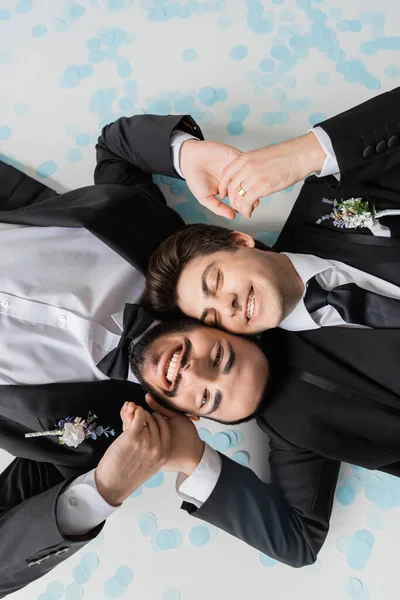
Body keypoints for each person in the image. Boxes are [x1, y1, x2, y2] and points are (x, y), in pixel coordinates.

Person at [0, 114, 240, 597]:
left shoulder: (96, 445)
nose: (194, 368)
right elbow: (116, 148)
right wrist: (187, 154)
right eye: (219, 353)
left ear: (195, 415)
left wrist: (103, 491)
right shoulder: (155, 241)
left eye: (209, 398)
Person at [128, 315, 400, 568]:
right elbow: (300, 541)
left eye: (217, 356)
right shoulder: (287, 430)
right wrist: (193, 459)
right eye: (206, 398)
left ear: (211, 320)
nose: (193, 373)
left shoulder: (300, 305)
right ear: (191, 415)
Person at [144, 85, 400, 337]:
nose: (227, 306)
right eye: (213, 318)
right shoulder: (287, 369)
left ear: (240, 240)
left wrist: (305, 153)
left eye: (217, 281)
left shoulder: (326, 192)